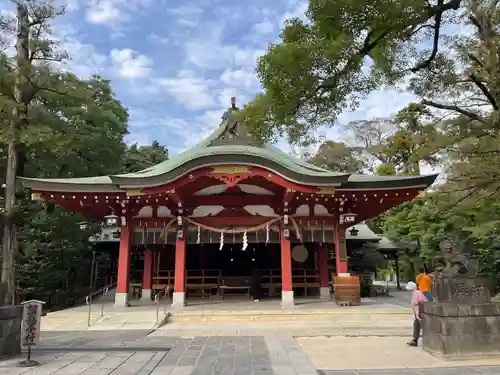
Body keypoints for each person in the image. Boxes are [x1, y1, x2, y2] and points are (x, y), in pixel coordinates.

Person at [406, 281, 428, 347]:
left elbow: (416, 305)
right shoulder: (418, 292)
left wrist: (417, 316)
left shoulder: (415, 293)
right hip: (424, 311)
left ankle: (415, 340)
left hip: (420, 312)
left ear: (410, 289)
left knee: (418, 325)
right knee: (419, 325)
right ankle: (415, 340)